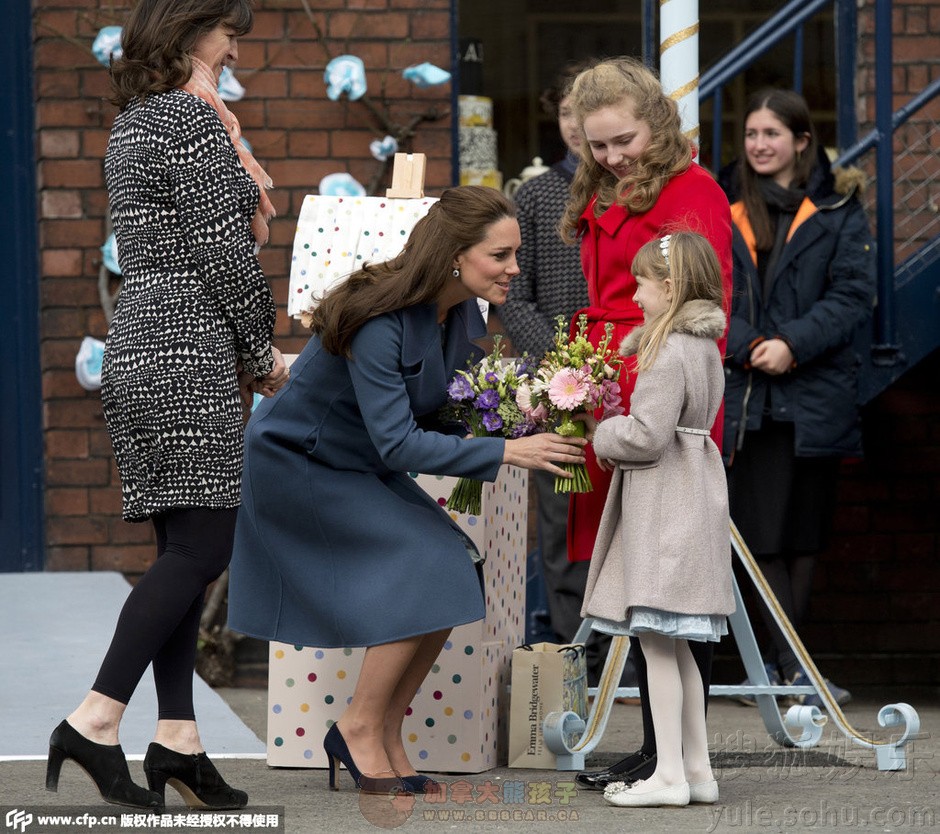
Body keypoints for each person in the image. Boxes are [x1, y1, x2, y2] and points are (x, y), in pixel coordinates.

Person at [226, 186, 587, 796]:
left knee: (453, 566)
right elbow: (398, 442)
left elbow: (430, 410)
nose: (514, 269)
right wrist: (506, 451)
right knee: (428, 561)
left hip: (356, 463)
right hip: (300, 465)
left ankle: (386, 732)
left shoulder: (457, 312)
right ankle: (358, 725)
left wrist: (521, 421)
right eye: (500, 255)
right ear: (455, 255)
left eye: (516, 254)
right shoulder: (379, 318)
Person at [46, 0, 288, 811]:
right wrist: (263, 354)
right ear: (190, 34)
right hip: (187, 348)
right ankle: (94, 718)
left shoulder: (137, 121)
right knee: (202, 549)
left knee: (183, 548)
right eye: (225, 32)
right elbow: (224, 252)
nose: (231, 46)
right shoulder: (189, 118)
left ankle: (177, 738)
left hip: (145, 342)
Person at [559, 57, 733, 792]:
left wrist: (621, 393)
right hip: (610, 391)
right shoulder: (609, 188)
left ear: (656, 122)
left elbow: (694, 314)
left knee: (660, 587)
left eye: (622, 140)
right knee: (632, 585)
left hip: (649, 410)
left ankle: (667, 756)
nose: (610, 157)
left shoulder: (694, 192)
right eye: (596, 146)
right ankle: (658, 750)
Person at [721, 89, 875, 706]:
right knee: (760, 539)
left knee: (801, 539)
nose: (760, 144)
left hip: (811, 398)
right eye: (752, 133)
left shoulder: (839, 209)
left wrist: (790, 343)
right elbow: (701, 290)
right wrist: (747, 343)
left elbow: (853, 295)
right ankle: (788, 672)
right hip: (747, 401)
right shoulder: (724, 205)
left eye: (773, 133)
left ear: (802, 141)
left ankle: (784, 672)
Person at [578, 231, 733, 807]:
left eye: (641, 283)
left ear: (668, 288)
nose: (635, 294)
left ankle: (668, 775)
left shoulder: (667, 352)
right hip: (692, 494)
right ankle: (696, 770)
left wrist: (603, 433)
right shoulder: (703, 348)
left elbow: (646, 437)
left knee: (657, 646)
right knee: (681, 648)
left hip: (665, 505)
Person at [499, 62, 623, 685]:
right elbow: (513, 295)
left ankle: (625, 657)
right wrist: (566, 365)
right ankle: (580, 658)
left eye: (588, 112)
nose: (576, 127)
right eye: (567, 113)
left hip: (626, 378)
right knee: (563, 521)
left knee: (622, 520)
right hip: (558, 389)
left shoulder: (632, 190)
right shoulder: (536, 195)